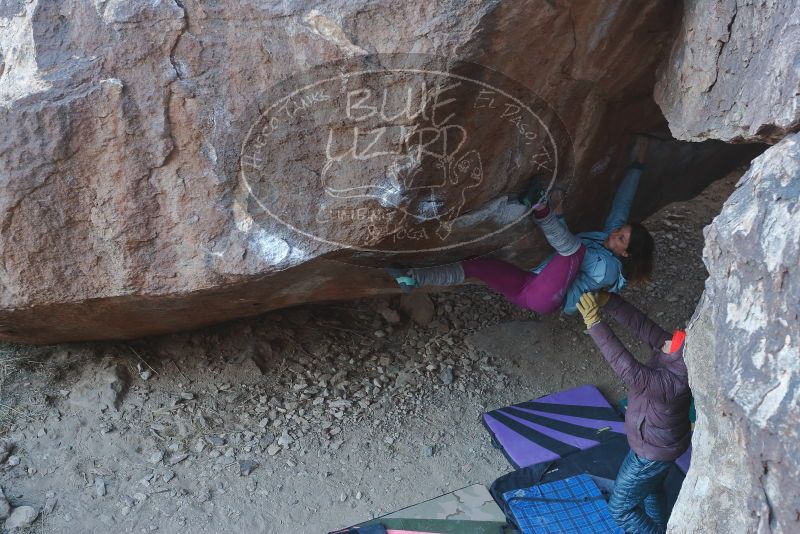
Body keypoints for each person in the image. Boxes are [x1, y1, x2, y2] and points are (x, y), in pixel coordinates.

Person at [387, 137, 654, 316]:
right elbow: (622, 205)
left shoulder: (608, 269)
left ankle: (539, 207)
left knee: (574, 252)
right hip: (530, 286)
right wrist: (638, 164)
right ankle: (412, 277)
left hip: (548, 298)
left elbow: (570, 257)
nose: (615, 235)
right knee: (478, 265)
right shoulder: (610, 240)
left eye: (621, 239)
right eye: (620, 232)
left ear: (626, 254)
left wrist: (557, 217)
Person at [576, 291, 691, 534]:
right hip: (659, 443)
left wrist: (595, 324)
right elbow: (644, 327)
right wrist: (610, 302)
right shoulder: (677, 356)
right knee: (651, 490)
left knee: (621, 509)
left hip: (651, 453)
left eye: (676, 341)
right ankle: (661, 528)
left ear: (679, 355)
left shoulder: (672, 382)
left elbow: (628, 369)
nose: (669, 339)